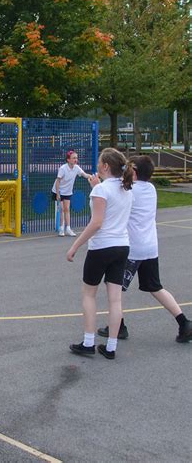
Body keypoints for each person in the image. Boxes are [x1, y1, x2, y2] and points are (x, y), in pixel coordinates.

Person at [97, 155, 192, 343]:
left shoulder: (130, 191)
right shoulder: (151, 189)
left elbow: (110, 202)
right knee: (155, 287)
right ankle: (184, 322)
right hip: (150, 247)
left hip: (133, 249)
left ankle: (119, 326)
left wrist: (97, 184)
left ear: (134, 172)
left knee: (113, 287)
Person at [67, 148, 134, 360]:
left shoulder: (101, 190)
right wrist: (97, 187)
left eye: (99, 162)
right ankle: (111, 347)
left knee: (89, 294)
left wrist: (75, 245)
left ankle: (88, 342)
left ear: (105, 166)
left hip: (102, 247)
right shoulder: (125, 189)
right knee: (115, 300)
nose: (97, 165)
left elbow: (97, 222)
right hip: (122, 246)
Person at [51, 150, 91, 237]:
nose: (75, 160)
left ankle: (68, 229)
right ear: (68, 160)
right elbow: (58, 181)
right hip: (58, 190)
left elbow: (84, 174)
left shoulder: (76, 168)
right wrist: (58, 194)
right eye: (73, 158)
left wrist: (91, 176)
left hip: (68, 191)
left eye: (76, 158)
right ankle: (61, 229)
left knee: (67, 209)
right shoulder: (63, 168)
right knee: (62, 209)